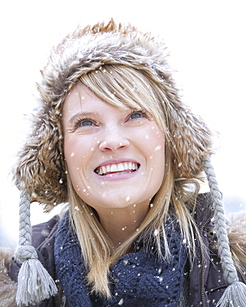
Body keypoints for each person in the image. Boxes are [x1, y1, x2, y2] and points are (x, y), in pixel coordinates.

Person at [0, 19, 246, 307]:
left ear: (171, 137)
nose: (113, 141)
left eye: (135, 115)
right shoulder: (17, 286)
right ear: (58, 150)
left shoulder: (235, 264)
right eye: (87, 122)